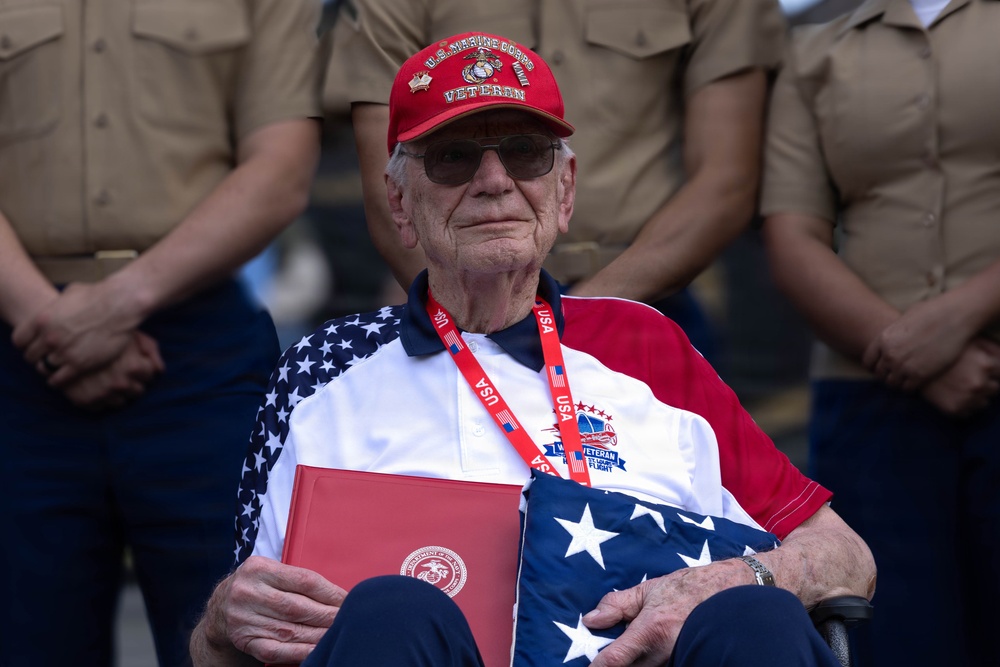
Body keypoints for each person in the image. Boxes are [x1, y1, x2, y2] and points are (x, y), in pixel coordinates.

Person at [190, 32, 875, 667]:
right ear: (399, 202)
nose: (494, 181)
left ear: (564, 190)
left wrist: (737, 576)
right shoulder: (326, 368)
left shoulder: (643, 344)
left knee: (755, 615)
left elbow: (846, 556)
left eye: (525, 153)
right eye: (454, 157)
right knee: (392, 610)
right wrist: (220, 622)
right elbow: (227, 646)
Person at [0, 2, 324, 665]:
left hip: (202, 352)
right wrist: (43, 314)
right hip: (17, 346)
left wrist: (111, 308)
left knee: (238, 639)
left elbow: (282, 168)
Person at [322, 0, 787, 362]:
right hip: (458, 305)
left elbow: (727, 179)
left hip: (646, 299)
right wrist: (463, 317)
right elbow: (394, 178)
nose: (496, 180)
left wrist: (573, 319)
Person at [760, 1, 1000, 665]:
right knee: (898, 636)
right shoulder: (815, 54)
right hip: (869, 397)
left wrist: (958, 316)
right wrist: (902, 346)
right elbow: (793, 235)